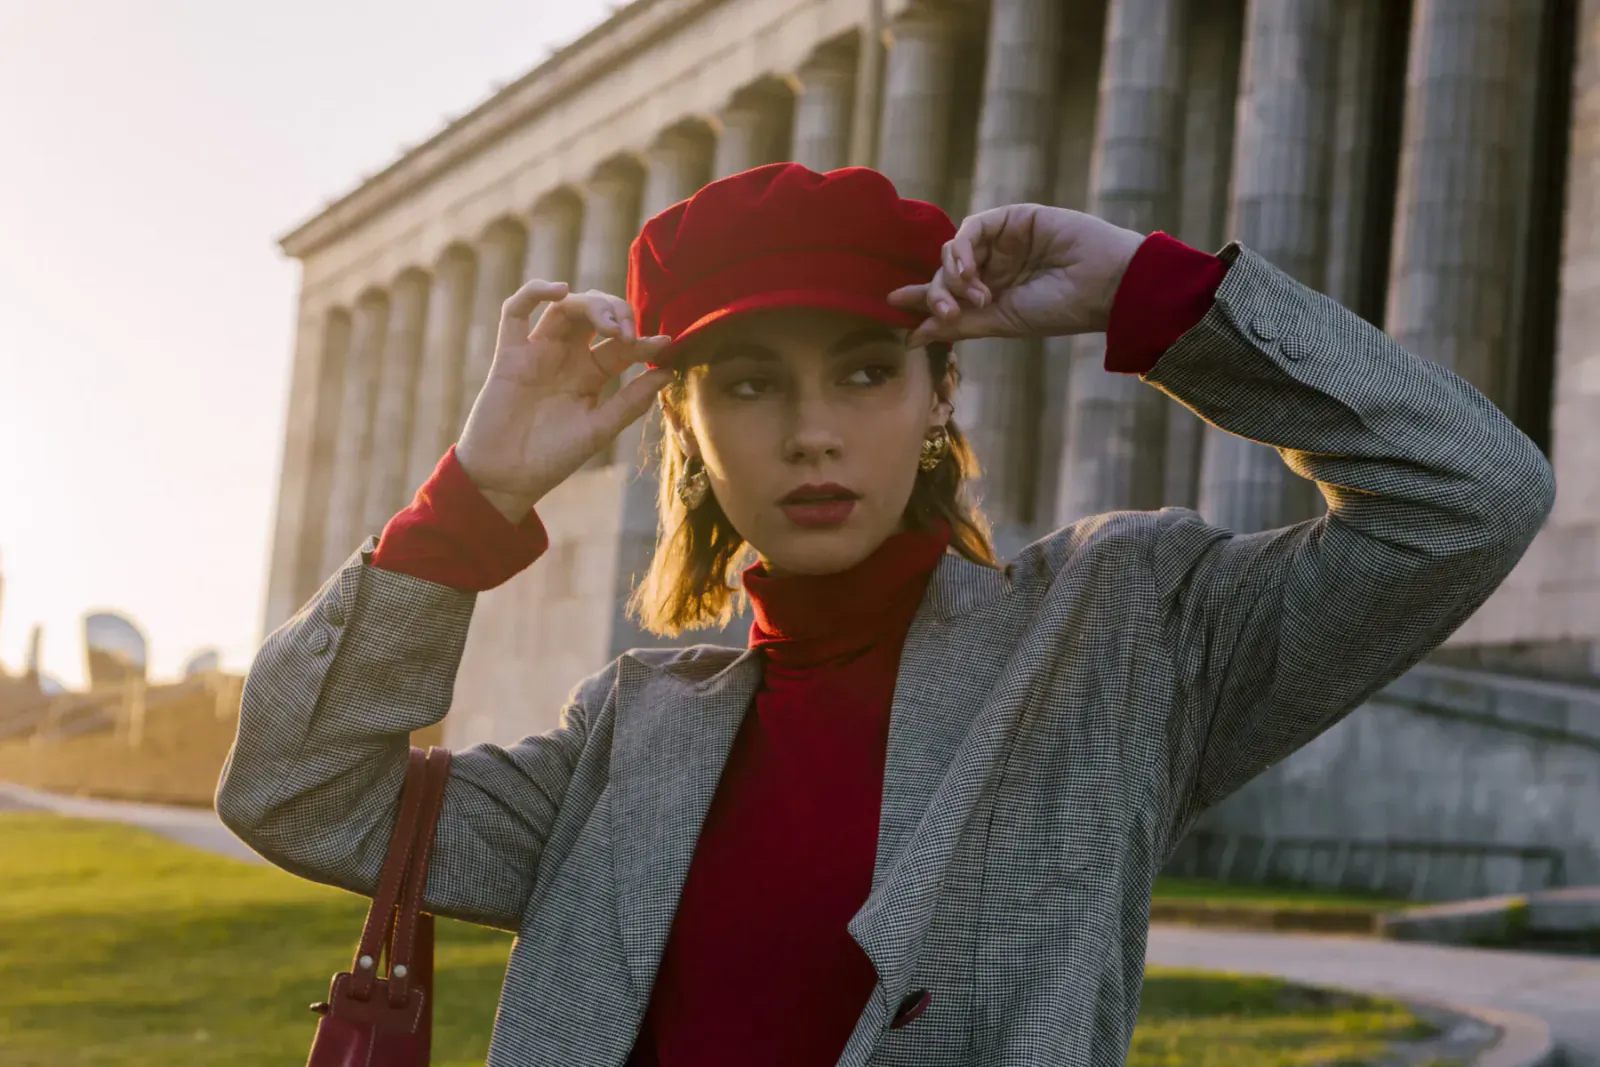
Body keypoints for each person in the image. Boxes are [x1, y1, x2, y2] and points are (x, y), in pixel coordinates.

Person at [217, 162, 1555, 1067]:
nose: (811, 433)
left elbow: (1470, 497)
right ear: (681, 425)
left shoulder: (1120, 637)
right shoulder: (627, 734)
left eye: (866, 368)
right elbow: (298, 786)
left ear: (937, 402)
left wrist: (1152, 298)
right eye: (747, 383)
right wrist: (476, 493)